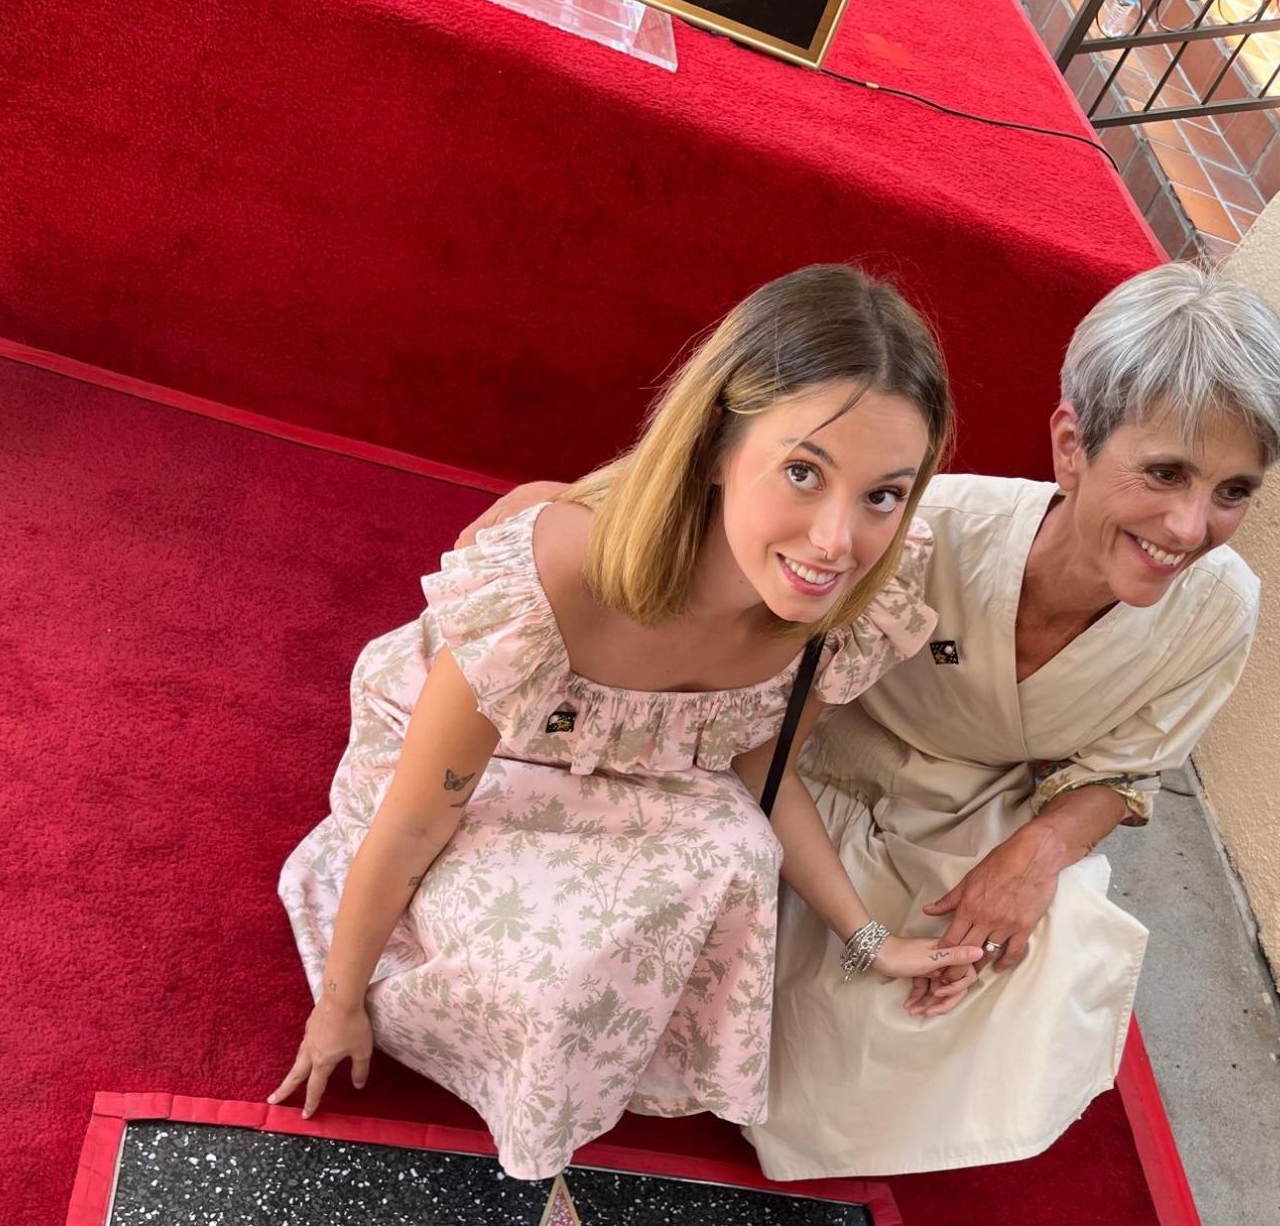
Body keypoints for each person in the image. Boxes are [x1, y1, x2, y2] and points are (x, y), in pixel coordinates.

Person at [469, 263, 1280, 1180]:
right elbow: (731, 570)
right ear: (1072, 447)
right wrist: (556, 518)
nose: (1190, 527)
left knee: (1046, 947)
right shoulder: (930, 528)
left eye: (1234, 491)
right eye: (1165, 473)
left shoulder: (1223, 608)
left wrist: (1037, 855)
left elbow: (1129, 766)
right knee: (753, 972)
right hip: (807, 775)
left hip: (969, 816)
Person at [269, 265, 978, 1179]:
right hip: (492, 773)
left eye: (882, 494)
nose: (836, 542)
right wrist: (338, 1006)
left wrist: (869, 939)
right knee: (548, 975)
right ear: (717, 447)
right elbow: (414, 821)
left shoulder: (848, 601)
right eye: (803, 473)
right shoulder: (556, 577)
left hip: (646, 780)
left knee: (739, 853)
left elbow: (764, 779)